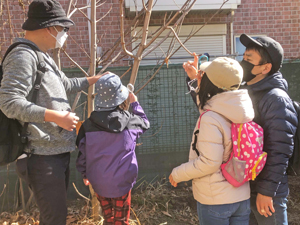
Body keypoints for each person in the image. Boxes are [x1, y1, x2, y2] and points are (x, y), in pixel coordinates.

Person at [0, 0, 108, 224]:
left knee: (56, 216)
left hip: (54, 152)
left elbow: (65, 84)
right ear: (50, 27)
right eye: (63, 29)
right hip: (38, 156)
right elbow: (9, 102)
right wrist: (56, 116)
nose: (65, 34)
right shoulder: (23, 56)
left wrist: (93, 80)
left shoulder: (42, 55)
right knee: (54, 219)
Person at [169, 57, 254, 225]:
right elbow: (209, 107)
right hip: (241, 197)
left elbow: (209, 163)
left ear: (211, 84)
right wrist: (195, 80)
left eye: (204, 75)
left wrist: (177, 174)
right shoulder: (242, 108)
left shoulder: (211, 118)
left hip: (216, 200)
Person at [238, 34, 298, 225]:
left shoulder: (276, 98)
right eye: (244, 57)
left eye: (249, 59)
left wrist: (266, 191)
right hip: (245, 187)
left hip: (266, 192)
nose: (243, 63)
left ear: (266, 67)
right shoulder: (244, 92)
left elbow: (280, 149)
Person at [76, 73, 150, 225]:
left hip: (98, 182)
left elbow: (83, 153)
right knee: (121, 220)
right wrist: (135, 103)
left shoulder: (88, 125)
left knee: (109, 218)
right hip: (122, 183)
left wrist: (84, 173)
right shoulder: (130, 121)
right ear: (120, 97)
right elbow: (145, 123)